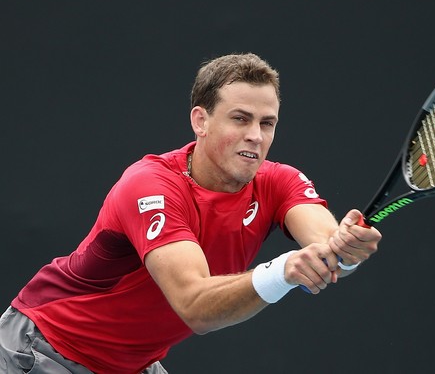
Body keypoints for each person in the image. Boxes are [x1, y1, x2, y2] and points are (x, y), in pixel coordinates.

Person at [0, 53, 382, 373]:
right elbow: (195, 305)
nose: (256, 135)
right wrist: (283, 271)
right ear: (200, 121)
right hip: (44, 348)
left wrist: (343, 251)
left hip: (132, 364)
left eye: (267, 123)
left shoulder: (279, 180)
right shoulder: (150, 186)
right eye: (240, 118)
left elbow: (323, 244)